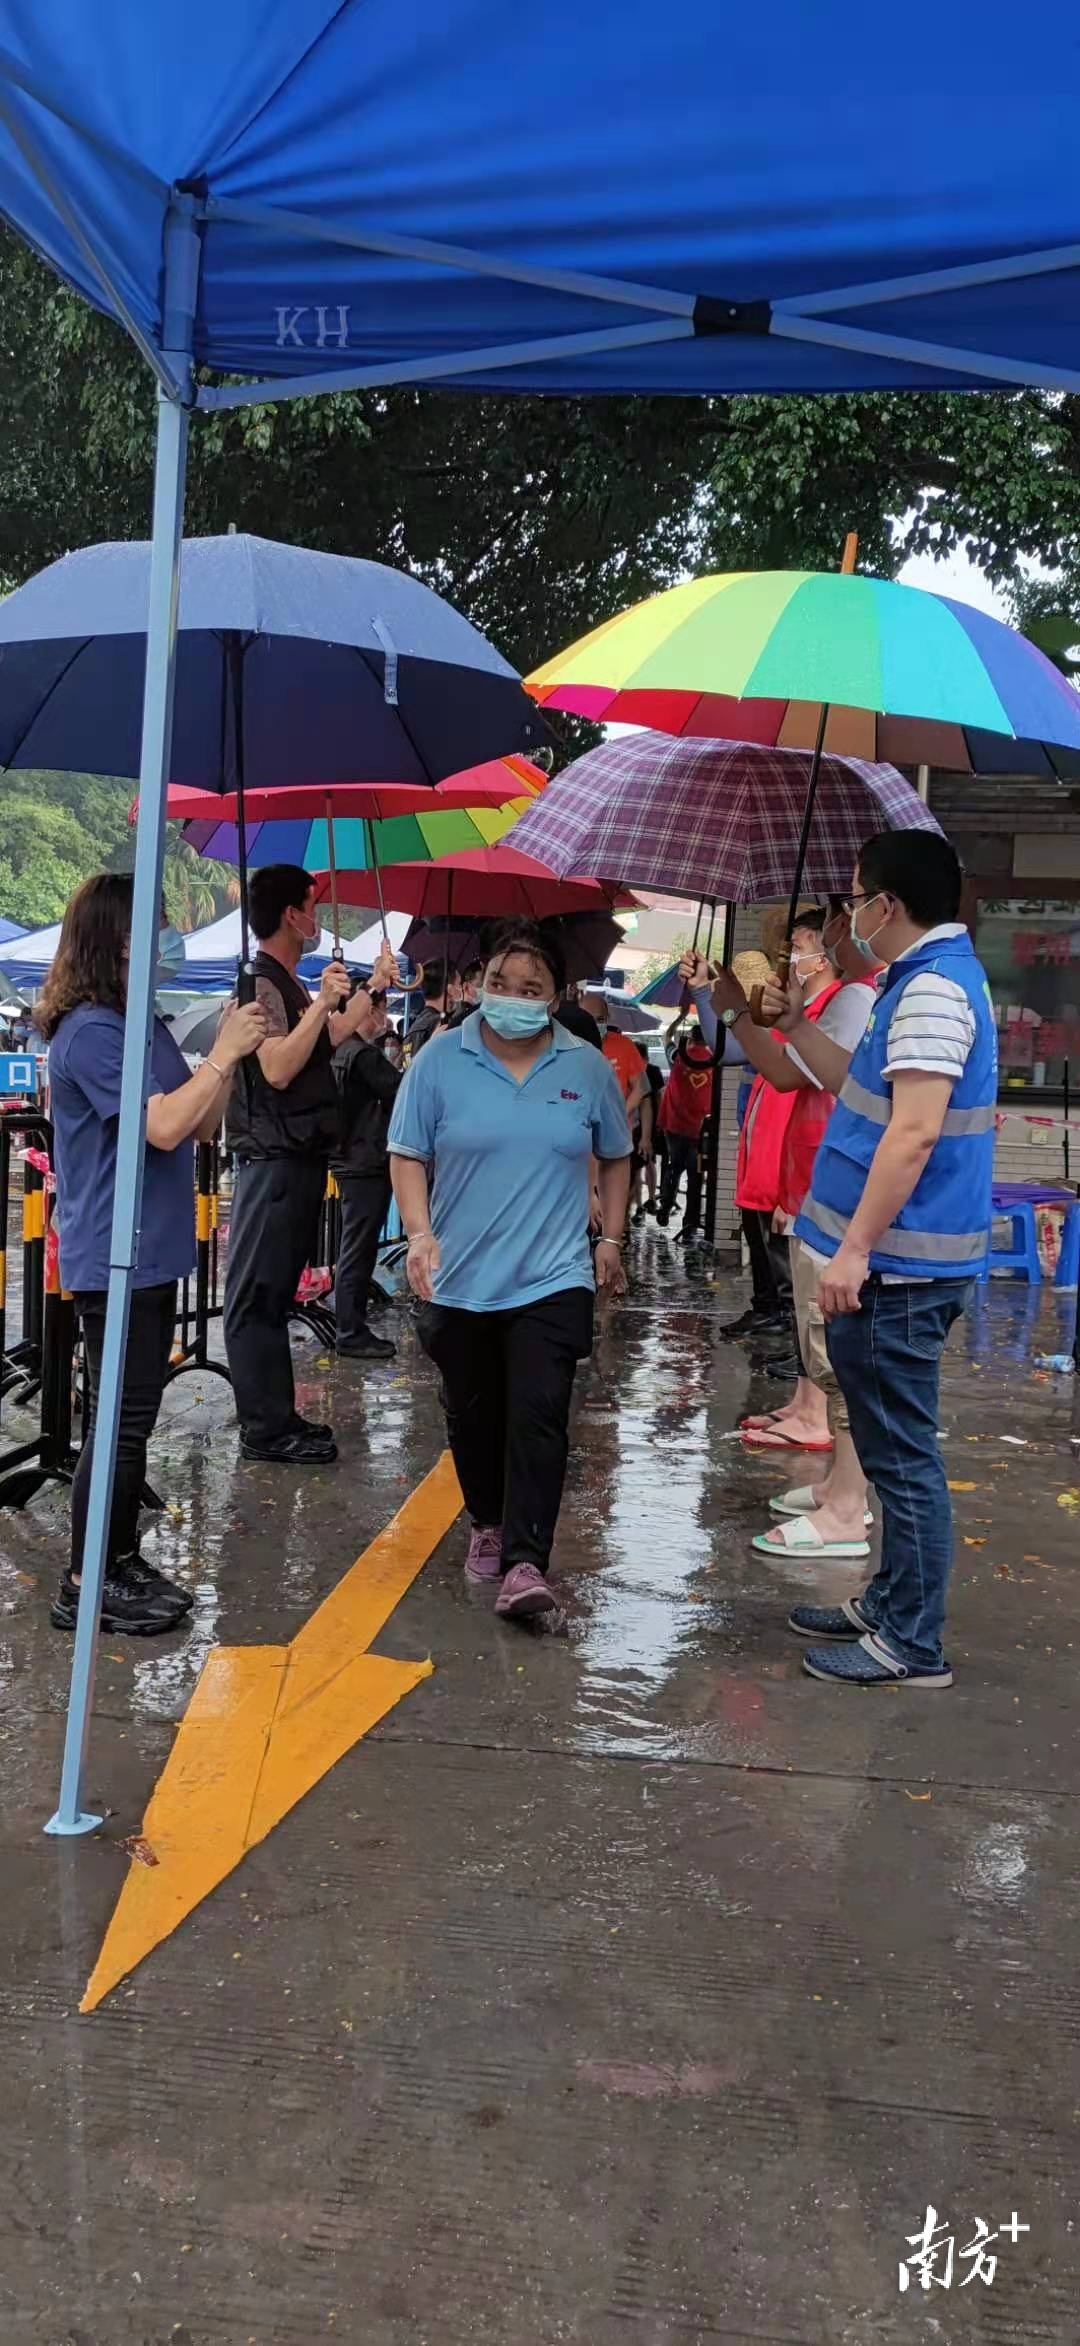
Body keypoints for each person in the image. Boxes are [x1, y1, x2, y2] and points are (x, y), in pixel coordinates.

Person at [783, 832, 995, 1690]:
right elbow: (859, 1091)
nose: (849, 915)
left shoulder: (935, 993)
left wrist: (855, 1250)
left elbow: (911, 1136)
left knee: (903, 1459)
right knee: (884, 1443)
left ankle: (912, 1643)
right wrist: (790, 1020)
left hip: (900, 1267)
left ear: (889, 906)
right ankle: (891, 1602)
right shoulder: (915, 986)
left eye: (857, 897)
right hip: (894, 1264)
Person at [38, 873, 267, 1634]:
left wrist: (228, 1057)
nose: (171, 937)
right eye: (158, 925)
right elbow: (161, 1126)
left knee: (133, 1416)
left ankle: (117, 1556)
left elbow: (200, 1126)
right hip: (115, 1252)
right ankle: (85, 1579)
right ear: (117, 937)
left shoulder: (140, 1022)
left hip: (155, 1250)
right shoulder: (94, 1032)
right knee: (118, 1423)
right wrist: (220, 1056)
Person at [388, 921, 631, 1621]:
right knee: (472, 1413)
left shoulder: (585, 1067)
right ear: (476, 986)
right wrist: (420, 1235)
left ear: (556, 1000)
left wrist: (609, 1238)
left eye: (531, 989)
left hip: (553, 1276)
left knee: (539, 1414)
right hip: (458, 1276)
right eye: (500, 984)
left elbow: (616, 1151)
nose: (512, 998)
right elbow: (406, 1151)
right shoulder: (439, 1060)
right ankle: (488, 1522)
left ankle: (526, 1561)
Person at [683, 898, 879, 1557]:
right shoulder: (841, 1001)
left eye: (826, 923)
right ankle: (837, 1487)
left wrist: (779, 1016)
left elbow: (814, 1076)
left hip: (837, 1189)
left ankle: (848, 1508)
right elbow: (775, 1068)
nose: (815, 939)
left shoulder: (856, 998)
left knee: (838, 1353)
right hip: (814, 1185)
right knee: (822, 1349)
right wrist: (736, 1004)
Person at [223, 864, 353, 1464]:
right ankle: (264, 1429)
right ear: (288, 916)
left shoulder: (286, 981)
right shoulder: (259, 982)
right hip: (273, 1156)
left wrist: (359, 995)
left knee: (275, 1296)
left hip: (299, 1154)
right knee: (257, 1297)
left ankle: (278, 1414)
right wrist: (321, 1002)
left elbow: (322, 1043)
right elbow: (275, 1066)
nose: (316, 917)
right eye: (310, 905)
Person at [707, 913, 837, 1340]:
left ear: (822, 959)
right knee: (767, 1252)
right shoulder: (797, 1013)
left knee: (791, 1269)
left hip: (793, 1164)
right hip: (765, 1152)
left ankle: (788, 1335)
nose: (790, 958)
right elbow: (740, 1052)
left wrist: (733, 1010)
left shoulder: (827, 1014)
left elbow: (786, 1077)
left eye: (798, 948)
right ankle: (771, 1314)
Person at [329, 978, 402, 1359]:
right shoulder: (363, 1055)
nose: (383, 1017)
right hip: (365, 1160)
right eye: (380, 1008)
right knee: (358, 1247)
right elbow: (401, 1089)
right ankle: (350, 1329)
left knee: (353, 1244)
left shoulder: (340, 1050)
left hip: (349, 1157)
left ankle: (349, 1322)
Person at [655, 1025, 714, 1240]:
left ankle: (666, 1204)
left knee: (673, 1167)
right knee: (695, 1177)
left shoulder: (677, 1058)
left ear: (690, 1038)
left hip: (675, 1126)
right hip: (700, 1130)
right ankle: (689, 1222)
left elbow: (666, 1036)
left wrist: (679, 1017)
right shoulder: (714, 1061)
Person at [407, 968, 460, 1054]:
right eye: (458, 984)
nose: (461, 990)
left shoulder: (414, 1026)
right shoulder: (443, 1026)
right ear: (450, 990)